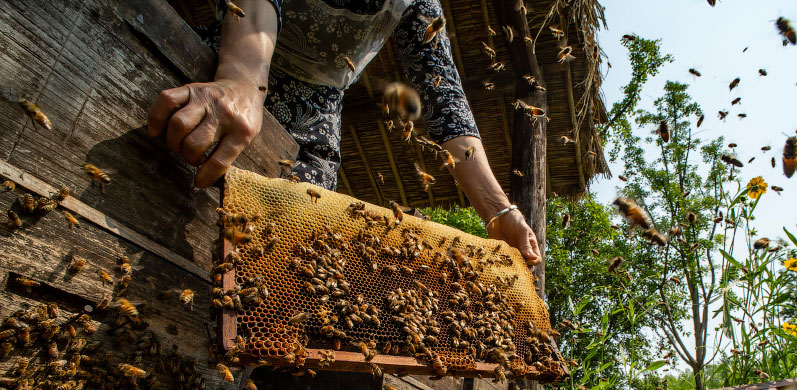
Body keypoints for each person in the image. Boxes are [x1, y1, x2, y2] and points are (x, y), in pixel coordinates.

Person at [147, 0, 541, 265]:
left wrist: (499, 210)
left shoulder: (422, 6)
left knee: (285, 262)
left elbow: (444, 95)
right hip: (223, 71)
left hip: (314, 122)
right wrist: (241, 79)